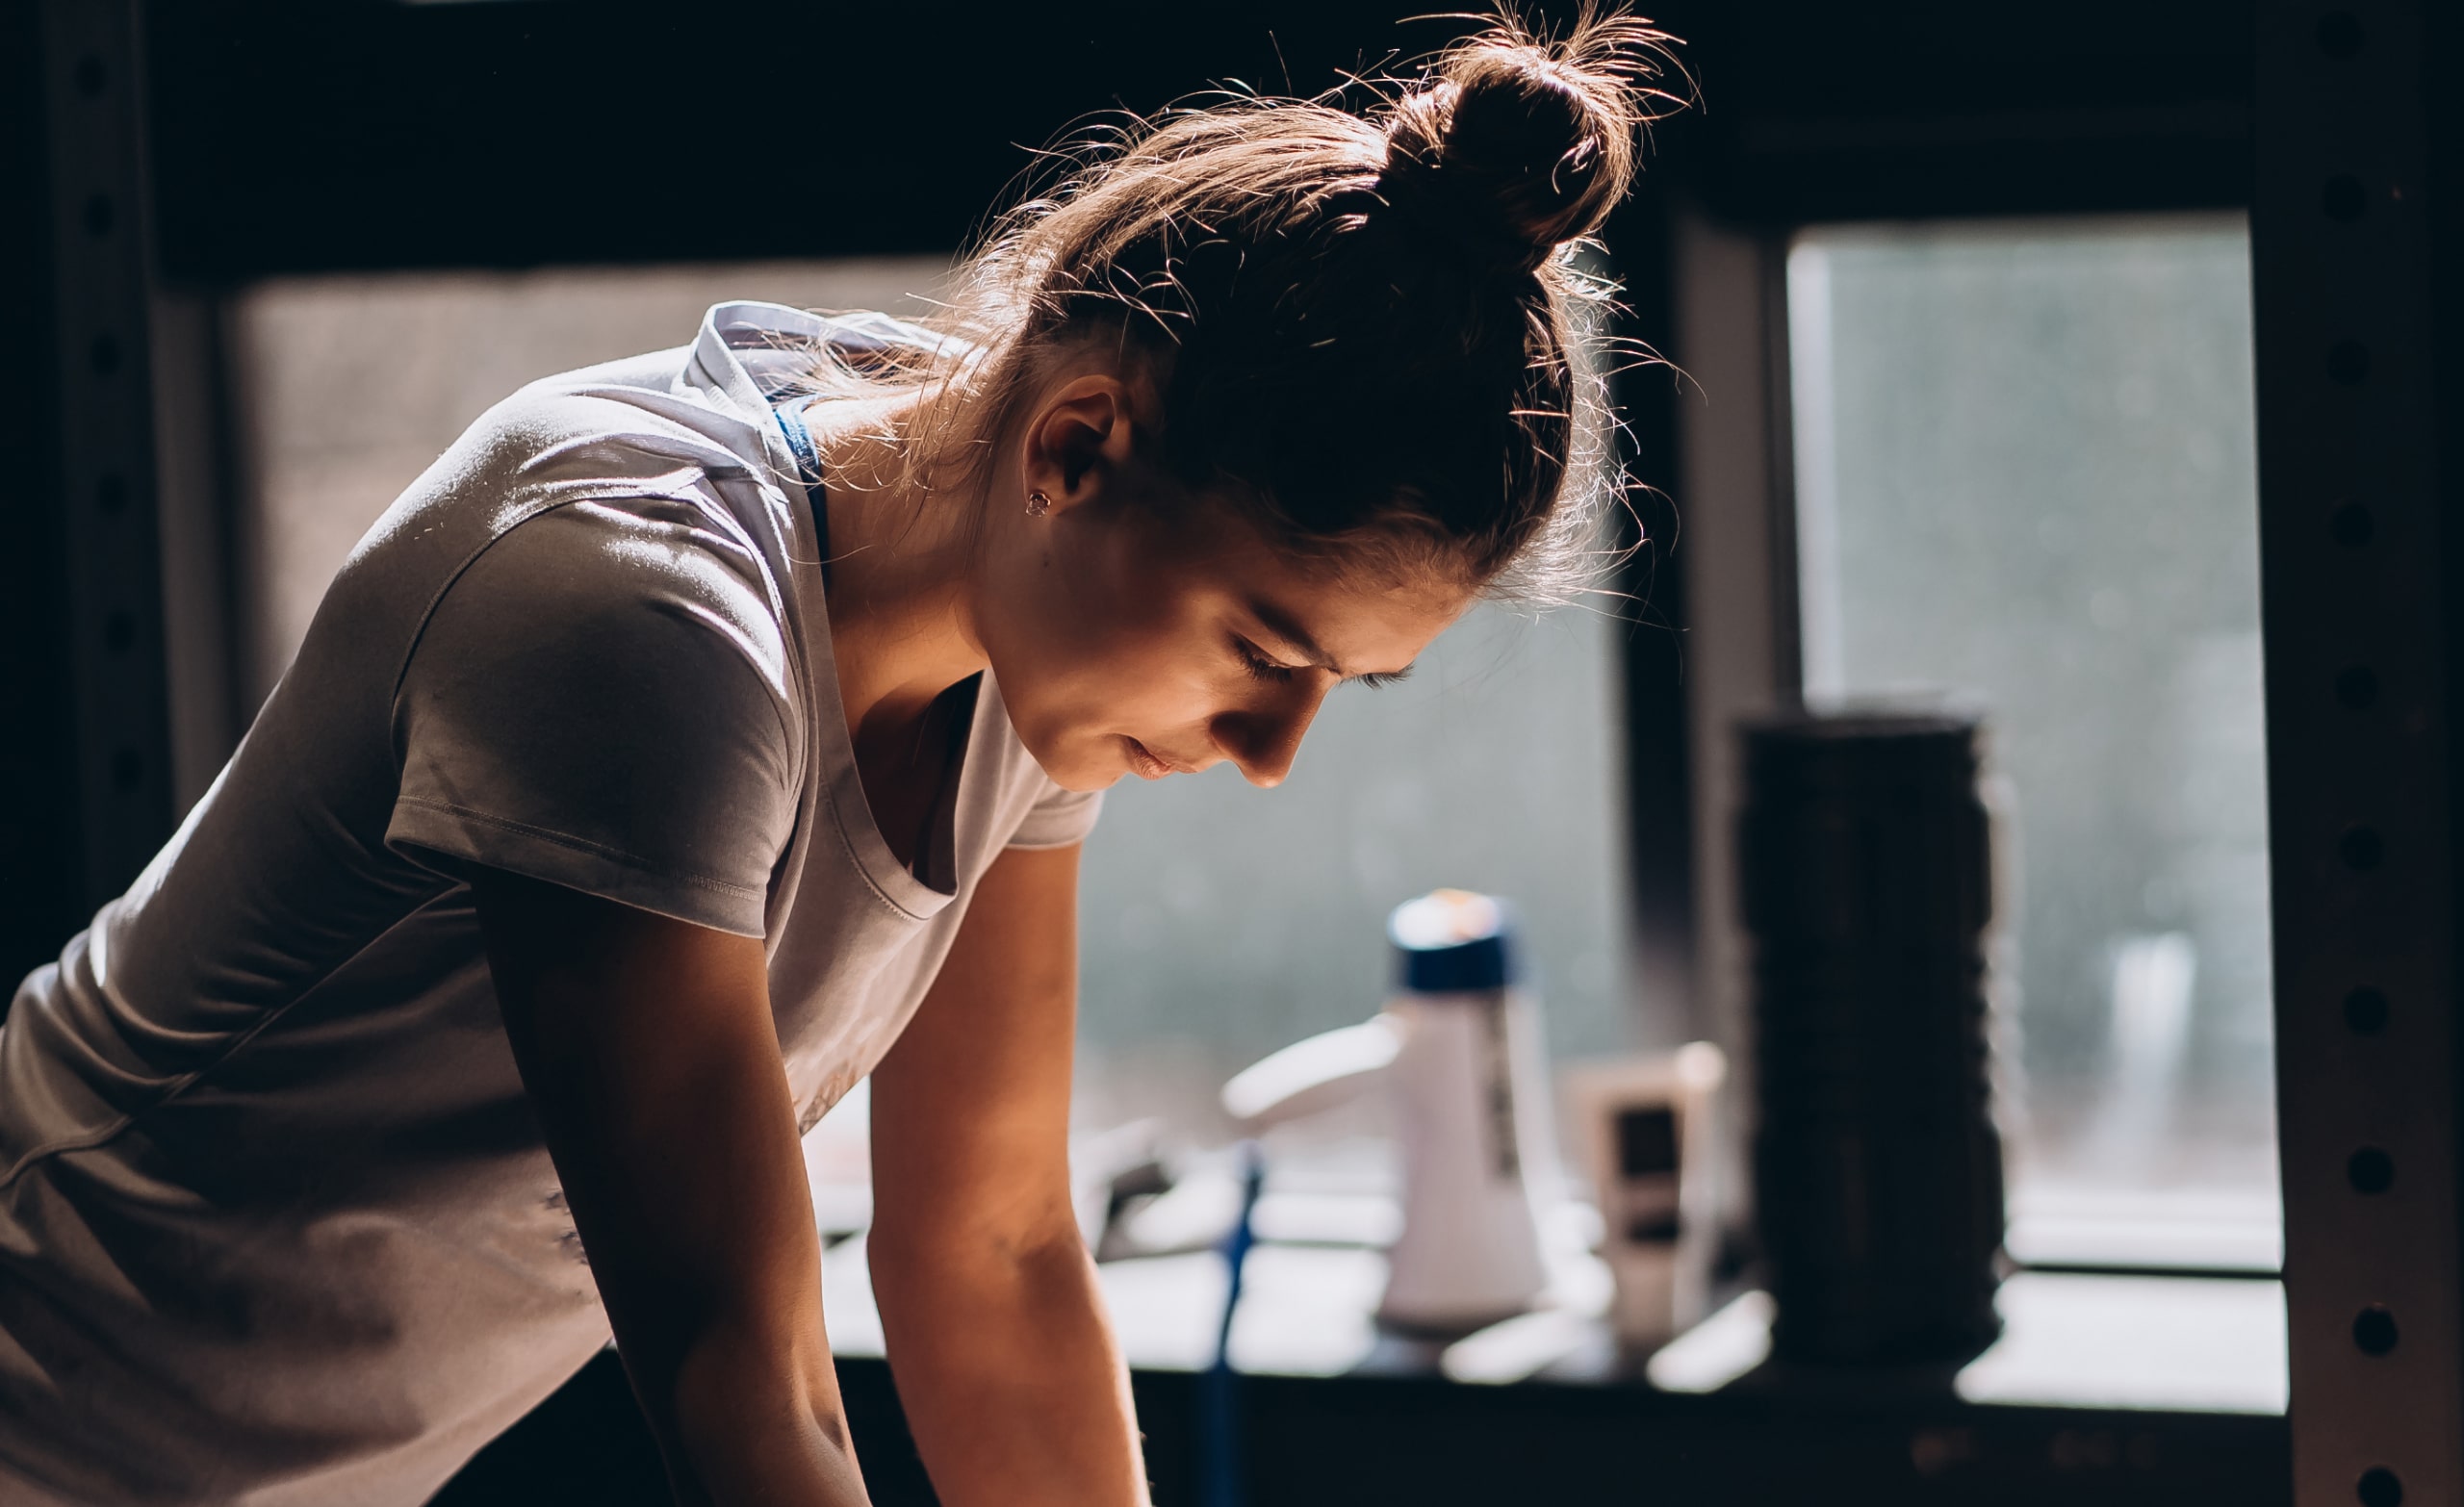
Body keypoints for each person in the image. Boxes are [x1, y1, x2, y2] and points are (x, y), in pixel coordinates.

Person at [0, 12, 1680, 1505]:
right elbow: (744, 1383)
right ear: (1076, 444)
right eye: (1263, 647)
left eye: (1341, 686)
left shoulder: (1025, 652)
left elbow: (997, 1251)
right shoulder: (641, 621)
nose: (1270, 754)